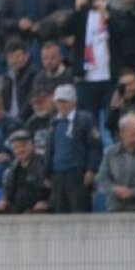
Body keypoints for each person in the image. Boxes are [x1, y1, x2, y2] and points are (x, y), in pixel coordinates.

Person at [46, 83, 102, 213]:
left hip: (77, 173)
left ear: (73, 101)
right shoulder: (54, 122)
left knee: (79, 209)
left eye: (65, 102)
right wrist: (46, 172)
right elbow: (50, 148)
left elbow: (95, 146)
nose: (62, 105)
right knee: (60, 209)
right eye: (59, 102)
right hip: (58, 173)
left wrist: (91, 169)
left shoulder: (86, 119)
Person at [97, 113, 135, 212]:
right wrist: (115, 189)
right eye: (133, 135)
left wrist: (133, 192)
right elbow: (103, 178)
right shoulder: (110, 153)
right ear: (122, 134)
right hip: (116, 207)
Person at [0, 130, 49, 213]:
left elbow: (54, 190)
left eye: (24, 145)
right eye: (16, 147)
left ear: (32, 145)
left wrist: (47, 202)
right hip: (17, 208)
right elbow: (7, 191)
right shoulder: (11, 169)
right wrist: (4, 200)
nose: (20, 150)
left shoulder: (44, 164)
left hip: (38, 209)